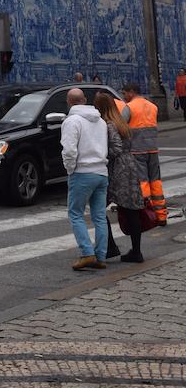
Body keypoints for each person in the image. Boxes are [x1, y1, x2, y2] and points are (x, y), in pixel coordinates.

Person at [94, 92, 146, 263]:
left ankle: (110, 247)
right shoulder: (121, 122)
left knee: (99, 207)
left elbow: (115, 148)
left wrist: (102, 156)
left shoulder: (108, 125)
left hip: (117, 169)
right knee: (131, 210)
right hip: (129, 166)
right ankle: (136, 250)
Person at [60, 88, 108, 271]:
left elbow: (69, 150)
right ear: (85, 100)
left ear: (69, 102)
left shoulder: (72, 121)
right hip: (101, 172)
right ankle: (101, 256)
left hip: (82, 172)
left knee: (75, 214)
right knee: (99, 217)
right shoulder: (101, 121)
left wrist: (70, 169)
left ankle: (87, 253)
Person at [121, 81, 167, 225]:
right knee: (156, 182)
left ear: (131, 92)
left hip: (137, 151)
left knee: (142, 182)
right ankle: (161, 215)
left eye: (124, 94)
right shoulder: (153, 106)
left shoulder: (129, 107)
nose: (124, 97)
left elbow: (122, 128)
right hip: (153, 149)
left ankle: (146, 214)